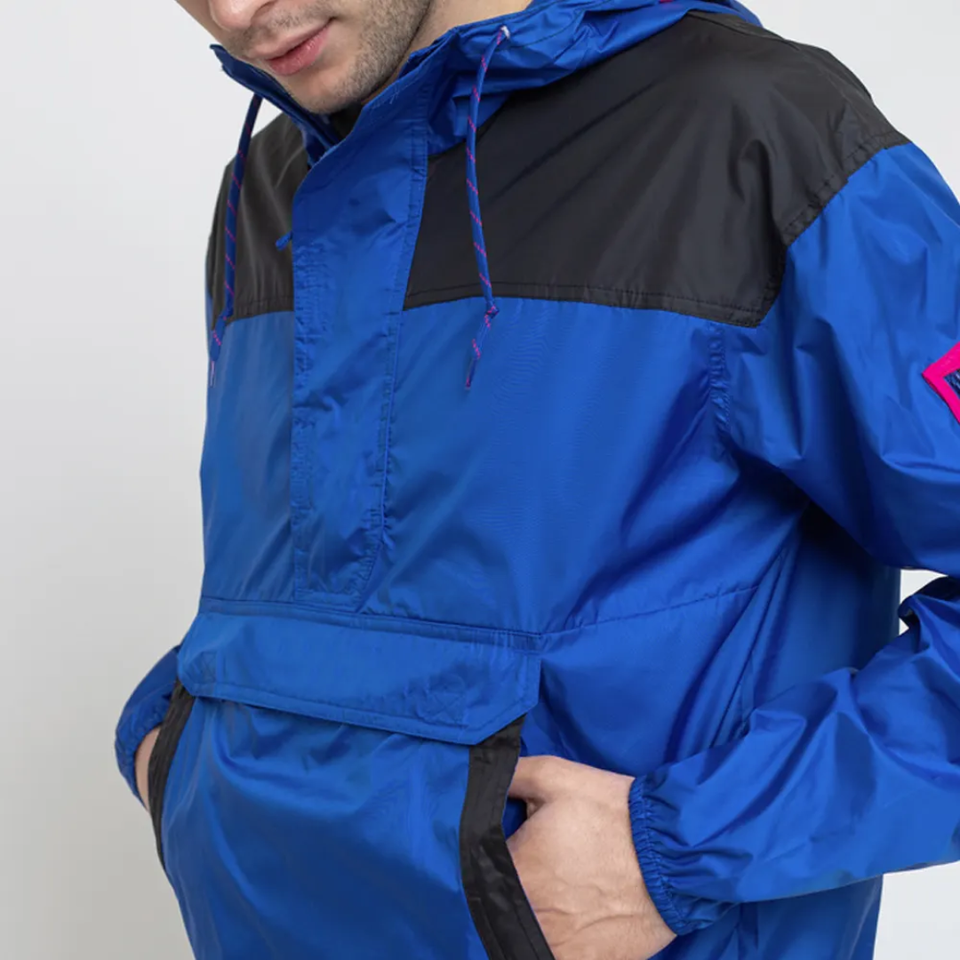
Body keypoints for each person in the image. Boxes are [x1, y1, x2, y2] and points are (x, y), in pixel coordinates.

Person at [115, 0, 960, 957]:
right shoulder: (269, 182)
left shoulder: (754, 133)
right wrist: (173, 734)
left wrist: (681, 847)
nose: (234, 12)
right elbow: (293, 585)